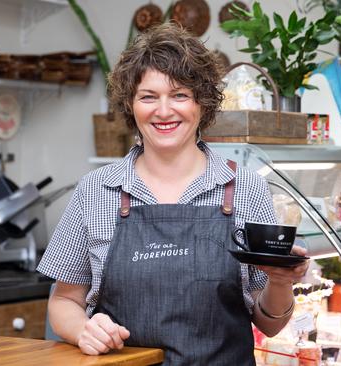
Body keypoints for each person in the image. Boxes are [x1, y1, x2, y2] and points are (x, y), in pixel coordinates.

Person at [37, 23, 309, 365]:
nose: (163, 111)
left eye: (179, 95)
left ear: (202, 103)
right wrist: (83, 330)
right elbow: (63, 302)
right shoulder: (96, 190)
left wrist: (281, 282)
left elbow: (270, 324)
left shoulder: (245, 188)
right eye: (148, 97)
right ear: (131, 105)